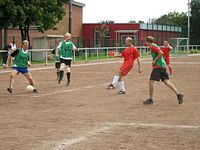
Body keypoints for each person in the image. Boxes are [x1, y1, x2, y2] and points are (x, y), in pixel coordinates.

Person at [143, 36, 184, 105]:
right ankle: (178, 94)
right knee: (166, 81)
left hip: (158, 66)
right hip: (163, 65)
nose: (146, 43)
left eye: (146, 42)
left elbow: (161, 53)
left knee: (151, 82)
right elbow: (158, 52)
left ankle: (150, 99)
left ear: (148, 42)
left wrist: (155, 61)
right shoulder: (154, 45)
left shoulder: (152, 46)